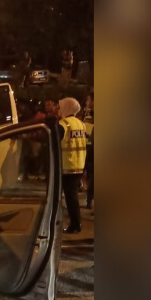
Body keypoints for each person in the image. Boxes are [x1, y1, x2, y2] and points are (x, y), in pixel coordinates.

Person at [58, 97, 87, 233]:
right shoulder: (81, 124)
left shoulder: (63, 124)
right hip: (79, 164)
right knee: (72, 197)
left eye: (60, 107)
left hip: (67, 166)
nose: (59, 110)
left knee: (70, 198)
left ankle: (75, 225)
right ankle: (75, 223)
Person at [83, 92, 94, 209]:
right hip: (90, 147)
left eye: (88, 100)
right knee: (90, 175)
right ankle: (89, 201)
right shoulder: (89, 113)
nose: (87, 102)